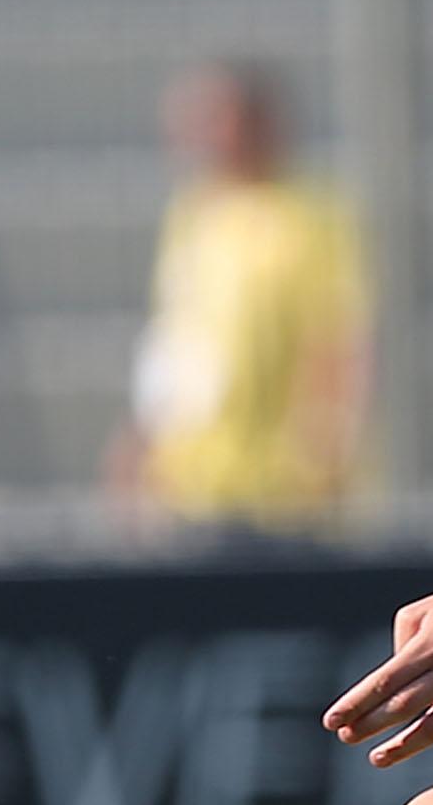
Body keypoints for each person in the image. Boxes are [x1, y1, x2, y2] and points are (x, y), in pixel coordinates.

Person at [113, 61, 371, 539]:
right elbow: (176, 340)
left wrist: (322, 452)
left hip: (285, 490)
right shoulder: (194, 213)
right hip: (195, 482)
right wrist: (143, 443)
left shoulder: (311, 214)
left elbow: (336, 336)